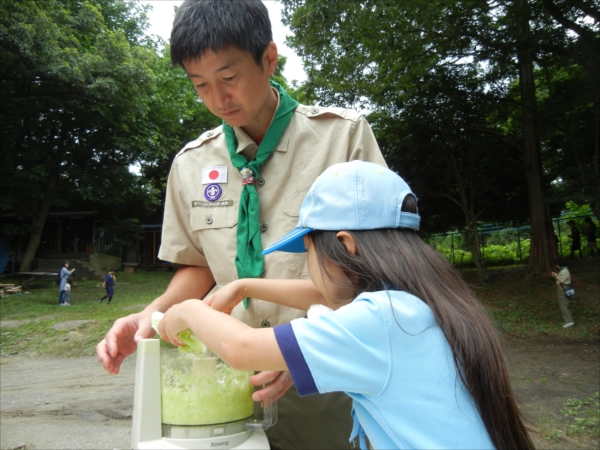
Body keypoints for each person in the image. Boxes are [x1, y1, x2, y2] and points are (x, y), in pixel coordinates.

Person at [95, 1, 386, 448]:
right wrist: (147, 316)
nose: (217, 99)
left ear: (269, 59)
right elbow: (197, 267)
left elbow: (375, 272)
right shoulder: (191, 164)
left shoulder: (341, 138)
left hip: (329, 384)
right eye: (200, 85)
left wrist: (303, 351)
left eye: (228, 78)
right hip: (227, 387)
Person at [157, 161, 535, 450]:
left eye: (307, 252)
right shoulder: (416, 305)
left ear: (345, 244)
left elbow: (240, 349)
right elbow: (328, 296)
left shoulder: (380, 323)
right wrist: (242, 285)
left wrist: (189, 310)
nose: (309, 268)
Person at [551, 257, 575, 328]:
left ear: (559, 264)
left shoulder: (564, 271)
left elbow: (561, 281)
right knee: (565, 303)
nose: (556, 266)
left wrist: (556, 276)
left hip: (563, 287)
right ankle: (569, 319)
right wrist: (556, 276)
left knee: (563, 304)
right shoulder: (563, 270)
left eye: (556, 264)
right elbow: (560, 279)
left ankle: (569, 321)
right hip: (563, 287)